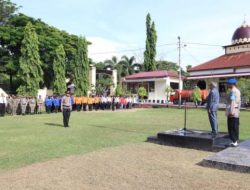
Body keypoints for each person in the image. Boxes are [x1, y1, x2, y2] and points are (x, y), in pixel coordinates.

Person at [225, 78, 241, 147]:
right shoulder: (236, 90)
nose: (227, 85)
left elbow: (233, 102)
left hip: (233, 111)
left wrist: (231, 112)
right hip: (236, 110)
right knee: (234, 126)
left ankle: (234, 141)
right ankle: (234, 141)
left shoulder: (233, 91)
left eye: (228, 84)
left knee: (232, 126)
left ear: (232, 84)